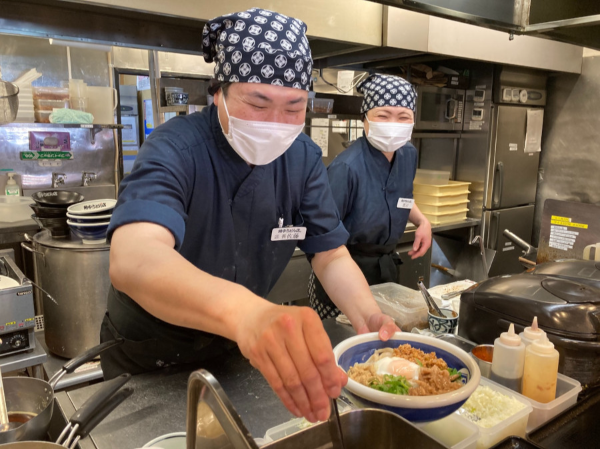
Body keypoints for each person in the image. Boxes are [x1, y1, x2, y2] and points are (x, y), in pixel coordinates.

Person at [100, 8, 399, 424]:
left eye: (294, 108)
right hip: (149, 355)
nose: (276, 124)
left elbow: (329, 253)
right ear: (217, 92)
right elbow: (133, 258)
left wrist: (367, 316)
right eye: (257, 103)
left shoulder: (302, 159)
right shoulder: (175, 149)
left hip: (234, 350)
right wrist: (247, 313)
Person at [309, 73, 432, 319]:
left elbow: (401, 196)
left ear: (413, 120)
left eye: (403, 117)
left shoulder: (407, 154)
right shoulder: (347, 167)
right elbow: (323, 236)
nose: (393, 124)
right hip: (344, 272)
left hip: (385, 272)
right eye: (383, 116)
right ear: (365, 119)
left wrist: (422, 221)